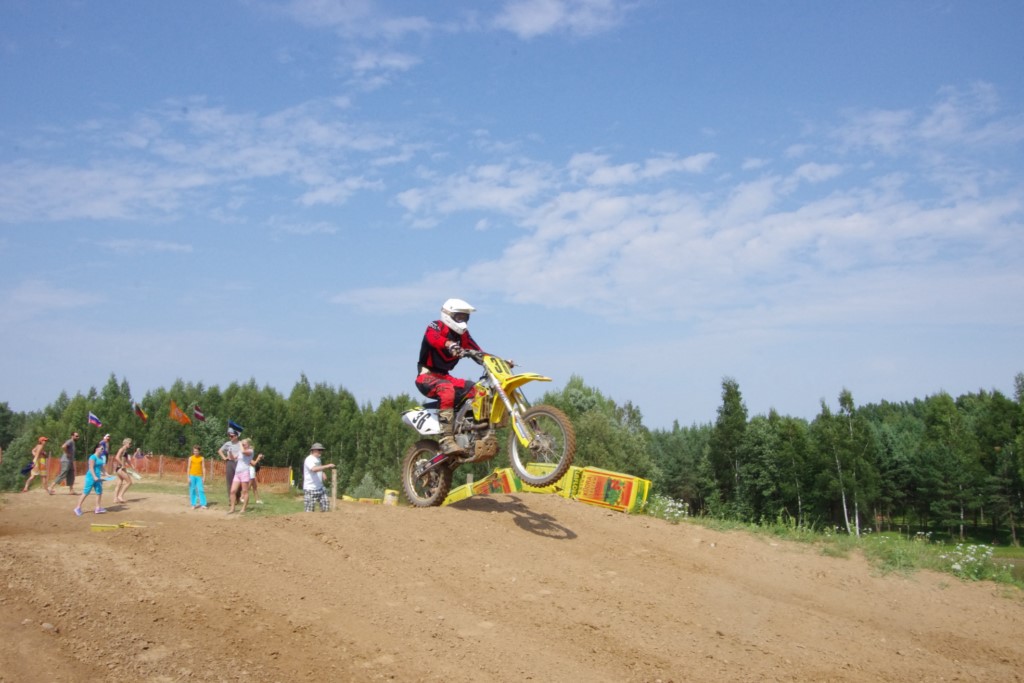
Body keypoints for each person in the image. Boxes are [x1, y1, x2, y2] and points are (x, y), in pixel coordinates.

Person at [416, 298, 484, 456]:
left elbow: (478, 351)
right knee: (446, 389)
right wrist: (449, 344)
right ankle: (446, 439)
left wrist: (499, 361)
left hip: (445, 376)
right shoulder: (436, 326)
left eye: (465, 317)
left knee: (477, 390)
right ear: (448, 315)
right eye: (459, 317)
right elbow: (433, 338)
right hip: (426, 376)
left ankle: (471, 431)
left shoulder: (463, 336)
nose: (462, 321)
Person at [73, 444, 107, 516]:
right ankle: (78, 508)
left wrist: (107, 474)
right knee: (86, 492)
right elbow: (91, 468)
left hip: (98, 477)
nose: (102, 450)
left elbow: (102, 468)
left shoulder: (100, 458)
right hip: (91, 477)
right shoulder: (92, 457)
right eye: (101, 449)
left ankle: (98, 508)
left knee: (99, 492)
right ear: (96, 449)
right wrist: (94, 477)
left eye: (103, 449)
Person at [302, 443, 335, 512]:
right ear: (313, 450)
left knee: (325, 506)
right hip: (310, 489)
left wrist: (322, 472)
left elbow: (318, 467)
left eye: (322, 450)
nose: (321, 451)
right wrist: (327, 466)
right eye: (319, 450)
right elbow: (314, 469)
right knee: (309, 511)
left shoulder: (318, 459)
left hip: (320, 487)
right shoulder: (309, 459)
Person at [228, 438, 255, 515]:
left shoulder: (250, 451)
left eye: (244, 444)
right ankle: (232, 508)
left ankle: (243, 508)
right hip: (237, 473)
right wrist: (230, 452)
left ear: (248, 445)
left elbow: (243, 452)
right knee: (232, 491)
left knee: (245, 491)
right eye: (242, 444)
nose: (242, 445)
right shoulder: (240, 451)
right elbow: (233, 458)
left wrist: (239, 444)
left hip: (244, 472)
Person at [218, 428, 242, 505]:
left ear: (236, 436)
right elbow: (220, 451)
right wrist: (224, 458)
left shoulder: (240, 443)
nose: (230, 437)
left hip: (238, 463)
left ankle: (237, 497)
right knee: (229, 482)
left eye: (231, 436)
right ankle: (231, 500)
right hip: (230, 463)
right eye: (229, 436)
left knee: (239, 482)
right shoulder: (228, 443)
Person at [112, 438, 134, 504]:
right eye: (129, 443)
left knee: (119, 482)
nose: (130, 445)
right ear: (126, 443)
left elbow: (127, 460)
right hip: (121, 468)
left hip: (119, 468)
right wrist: (122, 465)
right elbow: (117, 457)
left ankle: (115, 499)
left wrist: (132, 466)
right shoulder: (122, 449)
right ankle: (120, 496)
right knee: (129, 482)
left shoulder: (125, 450)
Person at [187, 445, 208, 510]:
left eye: (196, 451)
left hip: (199, 476)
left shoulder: (202, 458)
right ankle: (193, 504)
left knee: (200, 490)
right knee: (192, 490)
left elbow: (203, 468)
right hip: (192, 476)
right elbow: (188, 467)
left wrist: (204, 477)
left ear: (199, 451)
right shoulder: (190, 458)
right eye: (194, 451)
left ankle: (203, 504)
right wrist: (188, 477)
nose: (195, 452)